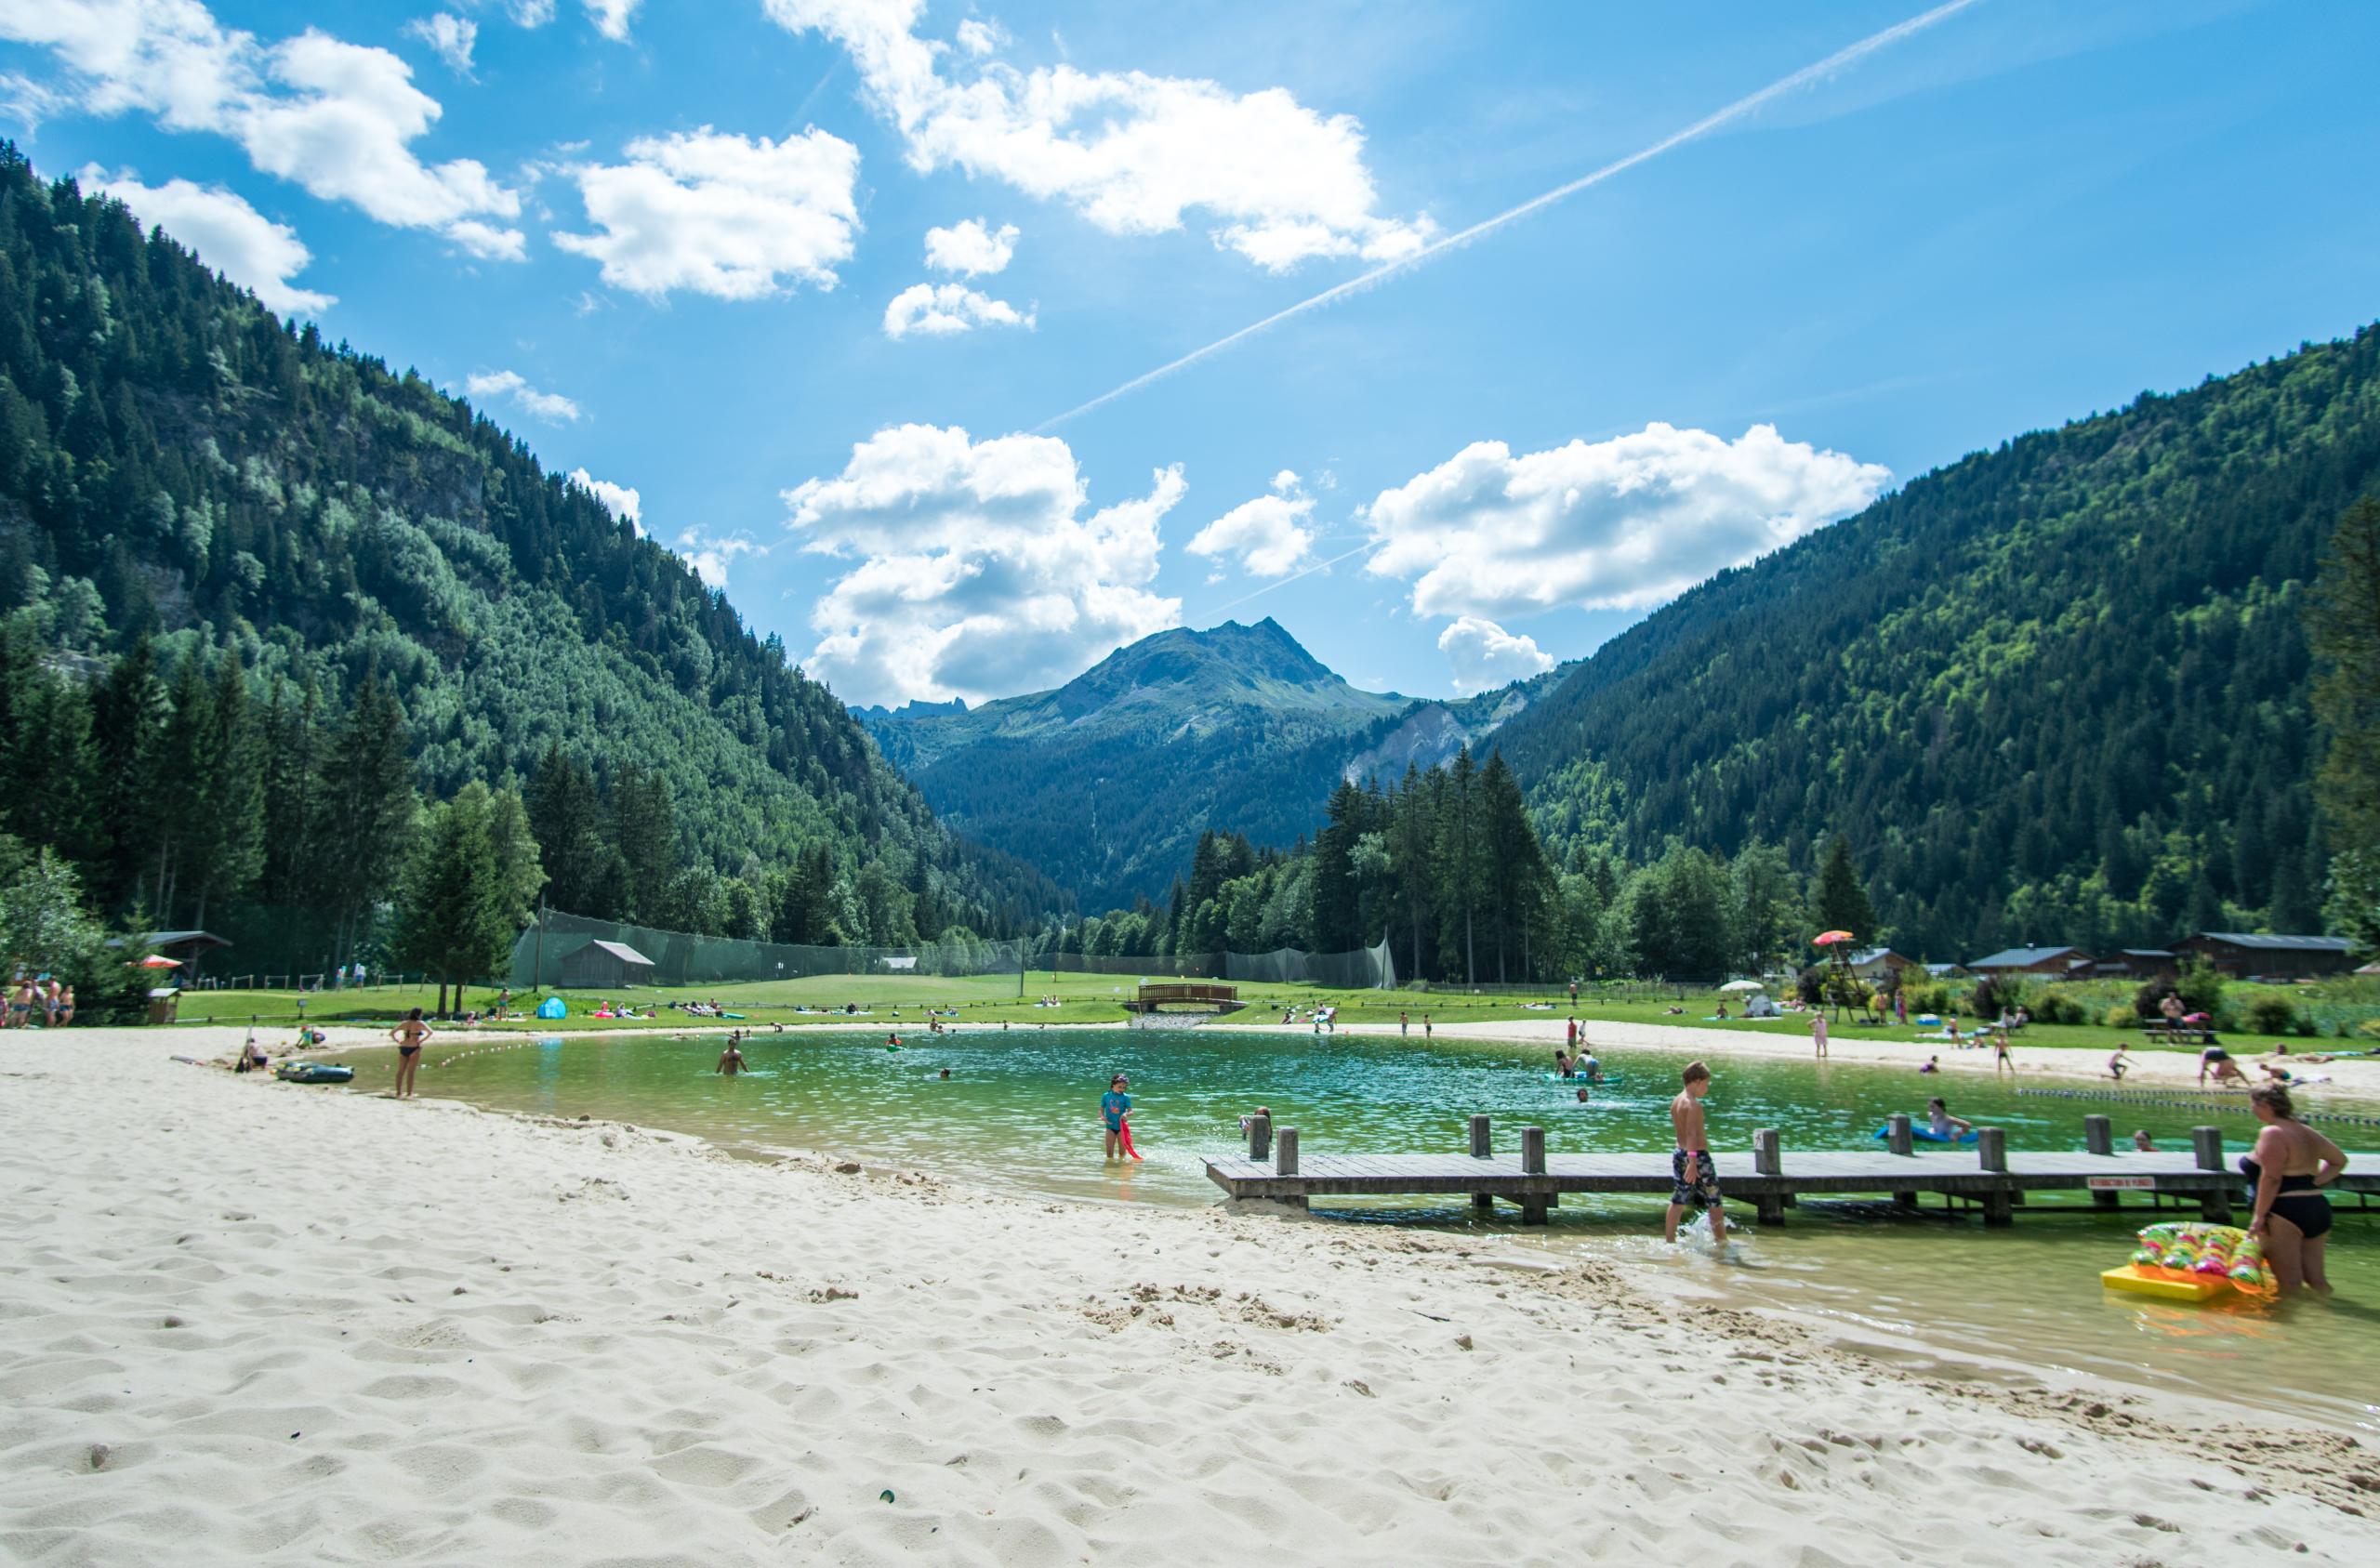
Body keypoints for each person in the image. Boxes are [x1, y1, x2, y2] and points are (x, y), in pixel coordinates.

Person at [2241, 1083, 2347, 1295]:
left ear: (2264, 1105)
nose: (2251, 1109)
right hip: (2317, 1207)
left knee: (2289, 1284)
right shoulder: (2306, 1131)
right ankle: (2337, 1318)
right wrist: (2312, 1183)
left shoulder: (2272, 1132)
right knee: (2317, 1281)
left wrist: (2259, 1216)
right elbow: (2339, 1161)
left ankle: (2290, 1326)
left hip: (2284, 1211)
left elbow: (2271, 1177)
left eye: (2252, 1104)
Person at [1664, 1061, 1726, 1246]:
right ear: (1697, 1081)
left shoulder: (1676, 1101)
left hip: (1679, 1153)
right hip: (1696, 1156)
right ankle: (1722, 1241)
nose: (1706, 1089)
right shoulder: (1693, 1105)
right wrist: (1692, 1162)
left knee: (1679, 1198)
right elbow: (1692, 1133)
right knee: (1714, 1198)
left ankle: (1670, 1241)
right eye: (1706, 1085)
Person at [390, 1007, 431, 1099]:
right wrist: (421, 1041)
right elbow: (430, 1032)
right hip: (414, 1048)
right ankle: (409, 1093)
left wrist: (398, 1041)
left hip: (403, 1047)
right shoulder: (420, 1023)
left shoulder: (404, 1023)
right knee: (411, 1072)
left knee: (400, 1071)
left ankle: (398, 1092)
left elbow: (392, 1033)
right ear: (419, 1014)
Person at [1102, 1074, 1142, 1162]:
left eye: (1124, 1087)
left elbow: (1131, 1111)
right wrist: (1102, 1117)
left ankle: (1122, 1167)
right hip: (1110, 1127)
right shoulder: (1106, 1096)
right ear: (1113, 1085)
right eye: (1120, 1087)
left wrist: (1126, 1114)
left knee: (1122, 1153)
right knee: (1109, 1154)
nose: (1122, 1089)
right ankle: (1110, 1170)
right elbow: (1101, 1110)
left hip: (1122, 1128)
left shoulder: (1125, 1097)